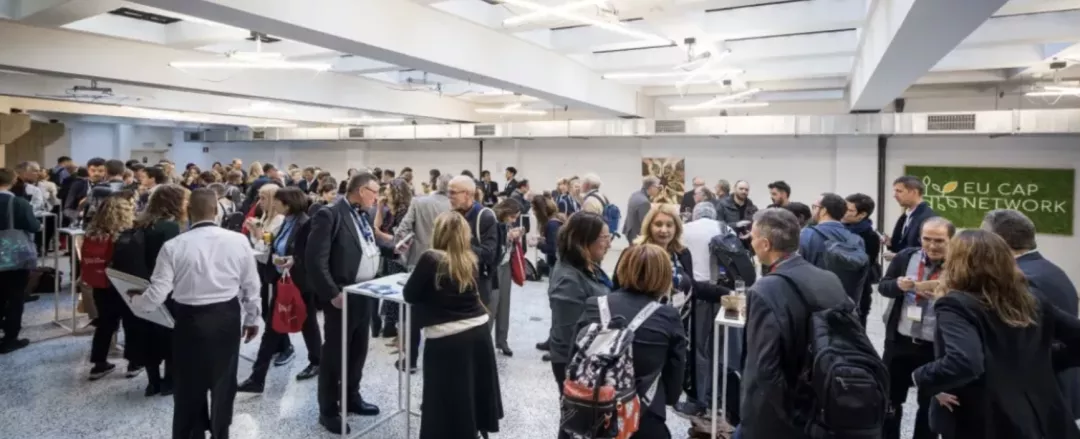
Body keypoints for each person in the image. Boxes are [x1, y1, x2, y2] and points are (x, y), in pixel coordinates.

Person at [912, 229, 1080, 439]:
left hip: (987, 418)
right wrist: (1041, 362)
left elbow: (964, 362)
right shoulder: (1031, 297)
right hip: (1044, 412)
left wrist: (922, 376)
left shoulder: (955, 304)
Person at [129, 188, 261, 439]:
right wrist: (253, 318)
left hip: (189, 319)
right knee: (224, 381)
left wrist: (137, 302)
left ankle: (193, 432)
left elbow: (157, 294)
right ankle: (221, 432)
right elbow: (251, 285)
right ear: (216, 211)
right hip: (227, 316)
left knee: (189, 383)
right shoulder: (238, 241)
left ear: (188, 212)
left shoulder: (173, 246)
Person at [739, 208, 847, 438]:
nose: (751, 241)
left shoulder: (764, 289)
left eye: (753, 236)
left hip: (776, 416)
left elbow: (765, 368)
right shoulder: (830, 279)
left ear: (766, 244)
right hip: (822, 400)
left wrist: (790, 414)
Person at [614, 203, 730, 409]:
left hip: (676, 328)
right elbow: (618, 288)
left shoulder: (682, 254)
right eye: (658, 224)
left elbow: (691, 286)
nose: (664, 230)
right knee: (640, 386)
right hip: (644, 330)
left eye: (669, 225)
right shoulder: (634, 252)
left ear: (677, 228)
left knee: (667, 384)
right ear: (649, 226)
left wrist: (725, 294)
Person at [403, 211, 504, 439]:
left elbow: (410, 294)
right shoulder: (470, 259)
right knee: (472, 389)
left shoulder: (430, 258)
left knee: (445, 398)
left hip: (447, 338)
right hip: (478, 332)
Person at [575, 243, 688, 438]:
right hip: (644, 416)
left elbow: (574, 359)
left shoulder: (594, 305)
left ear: (623, 268)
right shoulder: (668, 316)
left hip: (593, 414)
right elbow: (674, 381)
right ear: (664, 276)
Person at [981, 209, 1080, 418]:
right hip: (1059, 386)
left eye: (983, 236)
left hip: (1038, 394)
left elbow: (1023, 344)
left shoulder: (1021, 280)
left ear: (998, 241)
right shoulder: (1050, 269)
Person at [307, 172, 385, 434]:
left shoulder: (361, 213)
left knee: (358, 349)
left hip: (365, 292)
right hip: (341, 295)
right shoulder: (329, 214)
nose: (377, 197)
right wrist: (332, 293)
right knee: (335, 354)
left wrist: (392, 248)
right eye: (375, 191)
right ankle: (327, 409)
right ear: (362, 191)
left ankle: (351, 397)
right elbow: (315, 259)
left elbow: (365, 245)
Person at [877, 216, 954, 439]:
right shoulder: (906, 257)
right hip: (901, 342)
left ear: (951, 240)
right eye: (926, 239)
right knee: (890, 400)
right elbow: (883, 286)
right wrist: (898, 286)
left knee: (930, 404)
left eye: (939, 240)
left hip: (937, 349)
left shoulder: (962, 265)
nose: (931, 245)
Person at [239, 187, 313, 393]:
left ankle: (258, 377)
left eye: (278, 202)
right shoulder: (287, 222)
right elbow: (272, 246)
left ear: (288, 204)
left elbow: (307, 254)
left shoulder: (303, 223)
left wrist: (291, 260)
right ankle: (258, 377)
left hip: (296, 282)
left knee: (298, 325)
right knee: (280, 326)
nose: (274, 205)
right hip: (282, 279)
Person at [127, 184, 187, 396]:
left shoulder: (141, 223)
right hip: (166, 285)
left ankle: (153, 382)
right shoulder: (170, 227)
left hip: (141, 284)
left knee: (148, 335)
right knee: (170, 334)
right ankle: (169, 381)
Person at [548, 212, 613, 387]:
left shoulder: (587, 265)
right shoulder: (568, 281)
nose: (609, 243)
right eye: (604, 238)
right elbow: (569, 335)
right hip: (575, 362)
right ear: (584, 241)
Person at [82, 194, 140, 380]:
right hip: (123, 284)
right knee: (132, 324)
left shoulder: (92, 233)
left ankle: (99, 364)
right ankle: (133, 363)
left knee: (105, 324)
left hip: (101, 284)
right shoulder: (126, 235)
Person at [0, 168, 41, 354]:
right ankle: (10, 338)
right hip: (12, 256)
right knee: (15, 296)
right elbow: (34, 226)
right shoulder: (18, 203)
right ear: (14, 180)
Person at [448, 176, 499, 308]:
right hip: (455, 284)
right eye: (448, 192)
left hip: (476, 286)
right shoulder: (452, 215)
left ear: (467, 194)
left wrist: (461, 242)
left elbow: (488, 254)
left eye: (453, 192)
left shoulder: (485, 216)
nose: (449, 196)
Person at [843, 193, 882, 328]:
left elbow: (863, 265)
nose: (844, 212)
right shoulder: (839, 229)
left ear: (862, 214)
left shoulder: (870, 237)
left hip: (858, 293)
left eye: (849, 210)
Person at [491, 199, 524, 357]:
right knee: (492, 304)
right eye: (512, 217)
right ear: (504, 213)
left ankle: (502, 340)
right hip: (494, 266)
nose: (514, 220)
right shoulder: (491, 221)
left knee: (505, 303)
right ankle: (484, 341)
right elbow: (491, 245)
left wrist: (517, 236)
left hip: (506, 266)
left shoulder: (508, 224)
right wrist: (508, 236)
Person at [887, 175, 937, 254]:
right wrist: (891, 243)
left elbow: (925, 249)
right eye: (895, 191)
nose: (895, 195)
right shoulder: (906, 216)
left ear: (914, 192)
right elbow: (904, 244)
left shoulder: (928, 217)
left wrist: (899, 257)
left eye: (899, 191)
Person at [624, 176, 661, 244]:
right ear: (651, 187)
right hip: (638, 236)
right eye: (658, 187)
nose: (658, 190)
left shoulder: (635, 195)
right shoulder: (644, 202)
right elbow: (645, 224)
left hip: (630, 232)